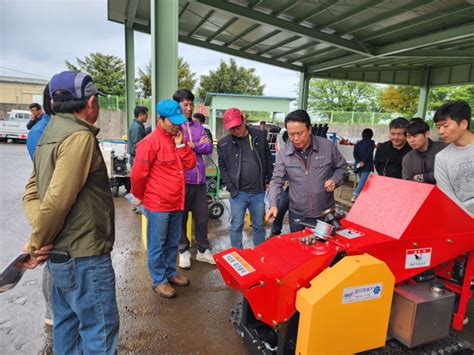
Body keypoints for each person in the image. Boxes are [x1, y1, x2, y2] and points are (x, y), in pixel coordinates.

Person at [20, 71, 119, 354]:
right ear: (90, 102)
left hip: (60, 257)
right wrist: (36, 244)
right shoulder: (79, 137)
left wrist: (39, 239)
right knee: (99, 333)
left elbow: (31, 193)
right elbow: (57, 201)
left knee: (66, 327)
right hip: (84, 256)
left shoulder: (47, 133)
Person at [131, 99, 196, 298]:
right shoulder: (150, 142)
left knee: (171, 242)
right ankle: (159, 280)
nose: (177, 125)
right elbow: (138, 174)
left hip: (176, 201)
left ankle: (170, 272)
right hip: (158, 203)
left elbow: (191, 164)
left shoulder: (177, 139)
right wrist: (140, 197)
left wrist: (182, 145)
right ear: (160, 119)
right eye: (172, 122)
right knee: (157, 244)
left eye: (179, 121)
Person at [266, 109, 347, 232]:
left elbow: (342, 168)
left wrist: (334, 180)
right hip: (298, 215)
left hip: (325, 213)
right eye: (291, 134)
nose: (296, 138)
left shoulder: (327, 147)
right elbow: (276, 180)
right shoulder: (284, 153)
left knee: (324, 248)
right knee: (299, 248)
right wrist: (273, 205)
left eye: (300, 133)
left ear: (309, 129)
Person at [218, 108, 273, 249]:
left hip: (258, 192)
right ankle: (238, 254)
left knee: (259, 225)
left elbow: (267, 159)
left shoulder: (260, 135)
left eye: (238, 126)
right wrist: (230, 187)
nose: (236, 131)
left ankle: (259, 253)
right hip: (238, 193)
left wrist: (269, 180)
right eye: (232, 129)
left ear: (243, 120)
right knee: (236, 226)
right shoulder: (224, 143)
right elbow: (222, 168)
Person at [172, 89, 214, 268]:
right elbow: (174, 149)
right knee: (180, 217)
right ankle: (183, 250)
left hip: (200, 181)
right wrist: (196, 145)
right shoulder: (174, 126)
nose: (189, 108)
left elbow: (208, 146)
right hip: (182, 181)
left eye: (191, 104)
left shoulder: (199, 126)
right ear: (178, 105)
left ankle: (203, 250)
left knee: (202, 217)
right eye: (185, 104)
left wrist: (192, 144)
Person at [25, 84, 54, 331]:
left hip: (56, 205)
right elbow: (42, 181)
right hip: (51, 206)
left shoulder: (58, 129)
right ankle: (51, 312)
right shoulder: (40, 133)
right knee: (51, 256)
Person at [433, 100, 474, 214]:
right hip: (464, 219)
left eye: (445, 126)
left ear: (463, 124)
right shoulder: (441, 158)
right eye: (438, 127)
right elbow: (447, 195)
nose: (441, 131)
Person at [402, 118, 446, 184]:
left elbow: (449, 174)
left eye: (415, 136)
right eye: (408, 137)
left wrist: (422, 177)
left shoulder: (444, 149)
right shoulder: (408, 158)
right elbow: (408, 182)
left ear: (427, 134)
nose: (411, 140)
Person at [351, 128, 375, 202]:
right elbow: (369, 153)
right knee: (362, 182)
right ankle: (355, 195)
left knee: (362, 181)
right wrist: (363, 162)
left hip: (358, 165)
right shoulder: (371, 142)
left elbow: (355, 153)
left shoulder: (358, 143)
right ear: (371, 135)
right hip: (366, 165)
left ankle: (361, 197)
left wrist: (359, 162)